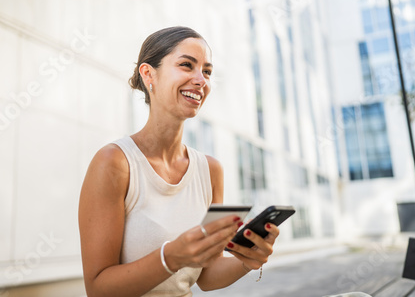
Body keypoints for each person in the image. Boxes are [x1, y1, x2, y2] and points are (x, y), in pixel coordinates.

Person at [78, 26, 279, 297]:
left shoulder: (210, 170)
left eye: (207, 71)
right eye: (187, 65)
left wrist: (247, 260)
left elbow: (207, 276)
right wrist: (170, 257)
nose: (201, 80)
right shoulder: (114, 162)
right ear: (149, 74)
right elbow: (98, 290)